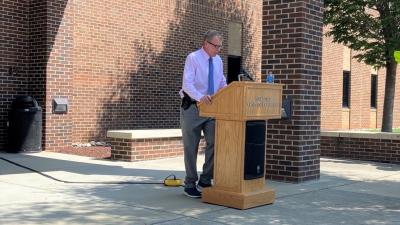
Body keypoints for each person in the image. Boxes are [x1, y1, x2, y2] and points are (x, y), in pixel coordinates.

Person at [179, 30, 227, 198]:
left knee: (215, 142)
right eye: (216, 46)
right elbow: (187, 84)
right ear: (206, 43)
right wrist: (201, 98)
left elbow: (221, 81)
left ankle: (205, 180)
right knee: (190, 147)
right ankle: (190, 183)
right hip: (193, 107)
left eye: (220, 46)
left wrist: (228, 91)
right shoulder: (193, 58)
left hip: (212, 109)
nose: (218, 49)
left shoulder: (218, 60)